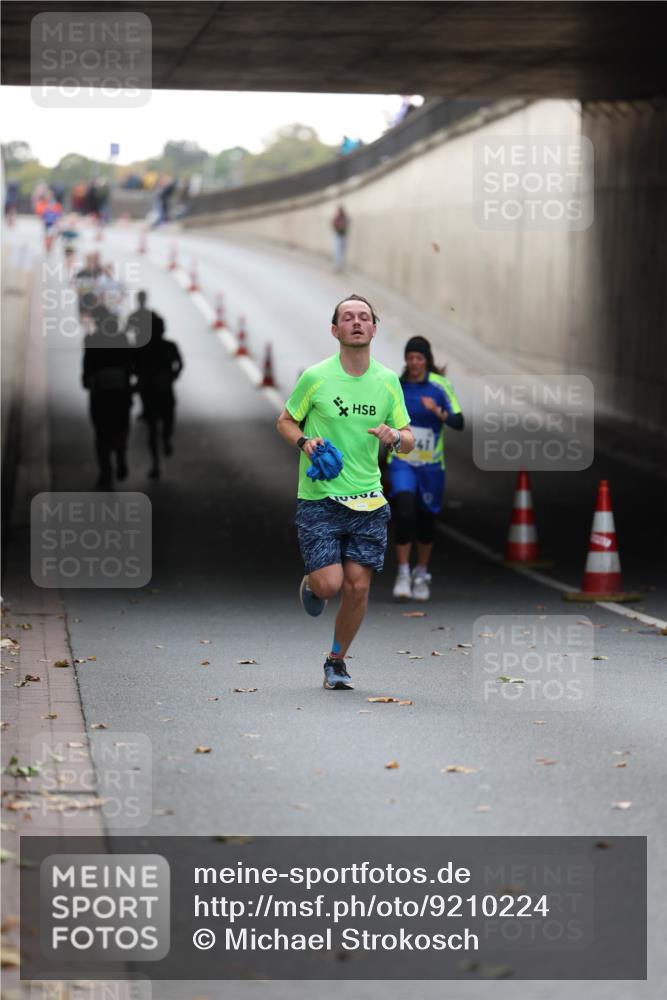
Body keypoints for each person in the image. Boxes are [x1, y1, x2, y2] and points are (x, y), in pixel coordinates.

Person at [276, 294, 413, 691]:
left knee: (358, 585)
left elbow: (408, 439)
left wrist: (394, 437)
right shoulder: (316, 377)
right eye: (348, 317)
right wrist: (304, 442)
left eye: (364, 317)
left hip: (369, 499)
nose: (356, 322)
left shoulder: (387, 382)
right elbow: (284, 420)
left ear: (373, 329)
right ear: (335, 330)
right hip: (320, 498)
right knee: (330, 585)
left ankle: (336, 661)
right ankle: (311, 583)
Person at [388, 336, 464, 601]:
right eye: (410, 358)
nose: (414, 363)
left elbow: (458, 421)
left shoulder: (440, 386)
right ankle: (403, 572)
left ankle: (422, 573)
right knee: (405, 513)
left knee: (426, 521)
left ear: (426, 360)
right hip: (401, 463)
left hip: (431, 466)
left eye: (419, 358)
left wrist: (438, 412)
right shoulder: (396, 386)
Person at [82, 308, 135, 488]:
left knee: (101, 434)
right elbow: (131, 365)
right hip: (120, 396)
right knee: (121, 429)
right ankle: (119, 456)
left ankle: (106, 471)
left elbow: (87, 370)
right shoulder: (122, 340)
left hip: (101, 397)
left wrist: (89, 381)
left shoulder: (91, 340)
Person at [133, 309, 183, 479]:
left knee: (154, 428)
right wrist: (173, 375)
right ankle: (165, 443)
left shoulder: (144, 348)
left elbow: (135, 369)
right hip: (160, 391)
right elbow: (179, 364)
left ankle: (157, 460)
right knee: (163, 423)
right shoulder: (168, 346)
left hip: (152, 392)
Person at [331, 206, 349, 272]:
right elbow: (333, 224)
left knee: (342, 252)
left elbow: (346, 224)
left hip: (343, 236)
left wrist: (343, 226)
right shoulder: (337, 218)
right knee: (337, 251)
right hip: (338, 236)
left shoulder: (345, 217)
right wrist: (338, 227)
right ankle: (336, 266)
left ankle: (341, 266)